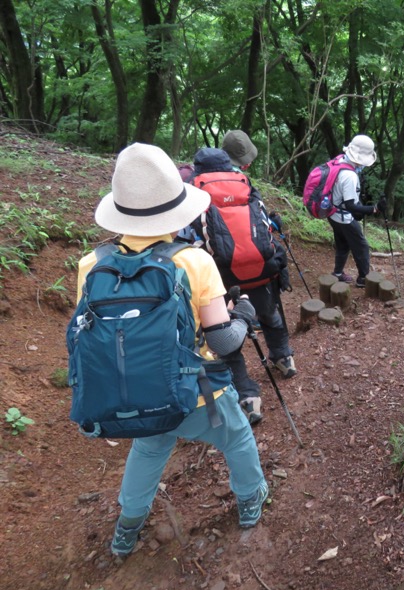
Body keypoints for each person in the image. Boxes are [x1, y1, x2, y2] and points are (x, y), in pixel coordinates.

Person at [77, 143, 269, 557]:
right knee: (236, 438)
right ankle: (251, 500)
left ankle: (128, 524)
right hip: (197, 394)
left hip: (130, 395)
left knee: (148, 448)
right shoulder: (193, 262)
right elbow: (222, 341)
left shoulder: (91, 264)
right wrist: (245, 315)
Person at [186, 144, 297, 425]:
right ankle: (284, 357)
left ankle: (247, 395)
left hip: (221, 277)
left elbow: (188, 236)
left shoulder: (192, 193)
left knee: (224, 333)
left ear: (197, 169)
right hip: (261, 269)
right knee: (270, 313)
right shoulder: (245, 186)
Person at [327, 134, 386, 288]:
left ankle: (338, 273)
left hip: (331, 213)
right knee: (361, 246)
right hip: (343, 217)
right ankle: (363, 278)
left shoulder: (339, 161)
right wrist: (374, 209)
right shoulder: (350, 176)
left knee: (343, 243)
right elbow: (351, 206)